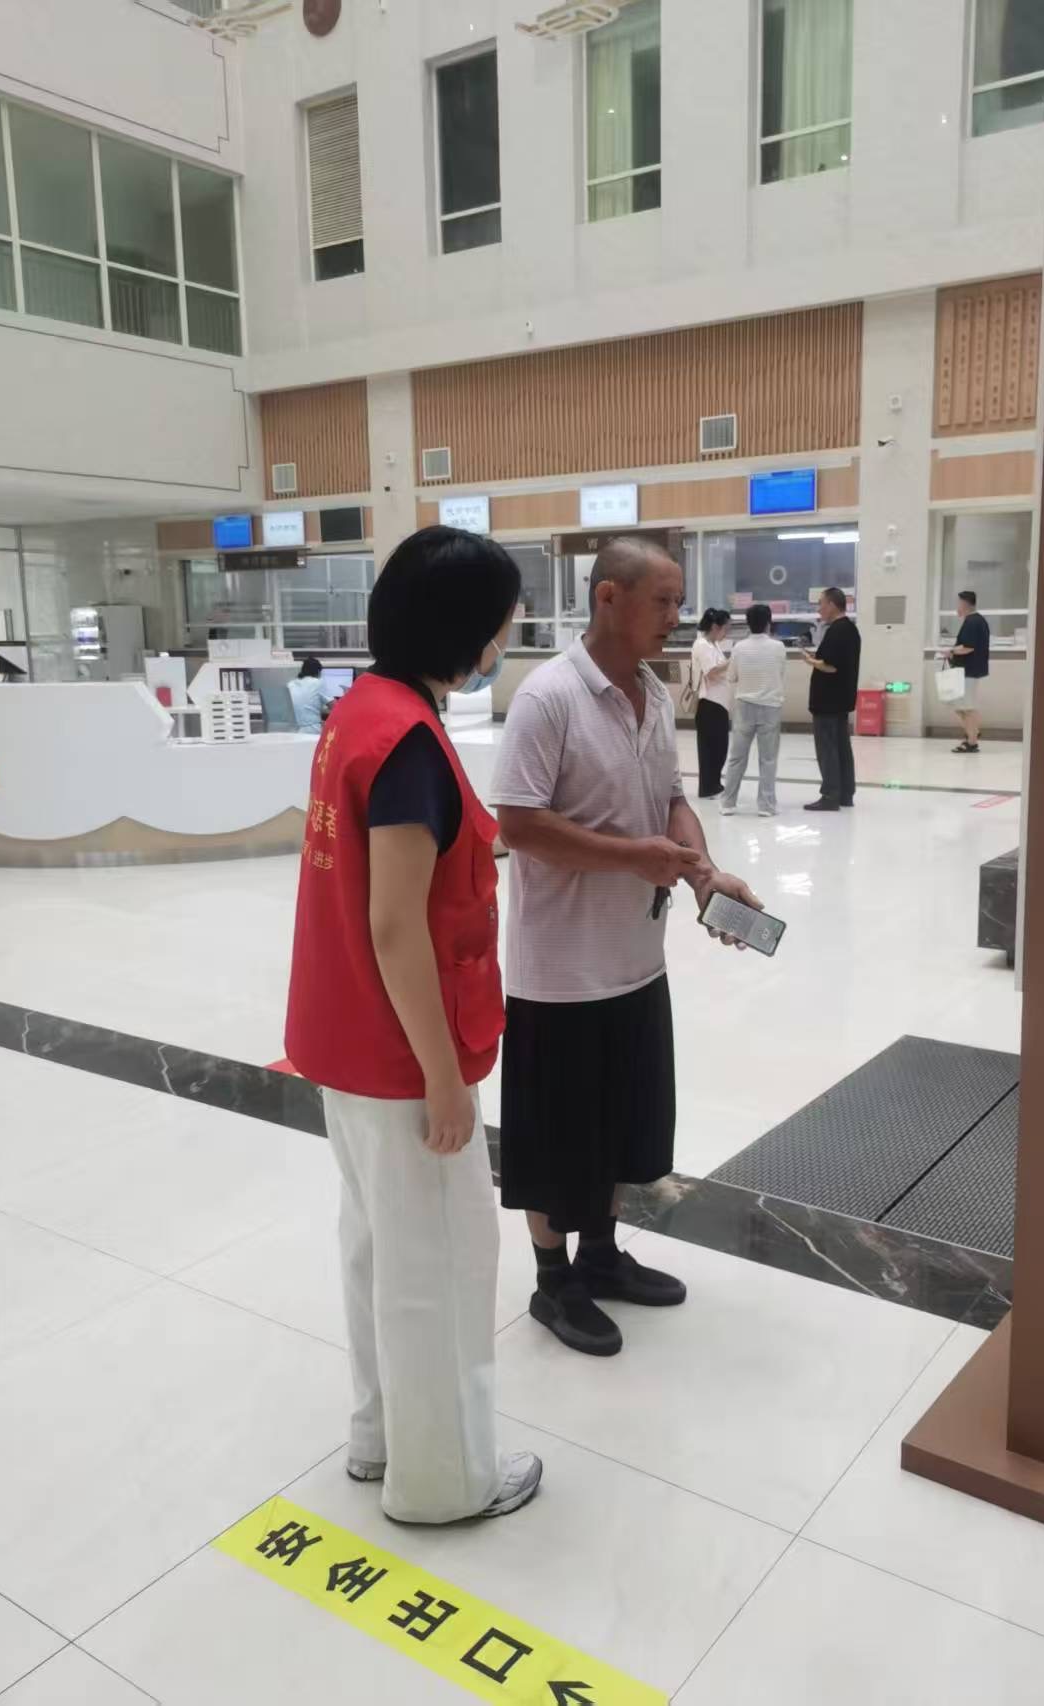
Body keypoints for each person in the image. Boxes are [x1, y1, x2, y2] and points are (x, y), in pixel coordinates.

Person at [284, 526, 542, 1523]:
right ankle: (443, 1483)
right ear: (466, 629)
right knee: (437, 1265)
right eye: (502, 622)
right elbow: (396, 923)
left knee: (377, 1248)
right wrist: (443, 1078)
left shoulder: (360, 711)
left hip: (344, 1035)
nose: (504, 639)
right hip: (401, 1054)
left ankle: (380, 1436)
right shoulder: (410, 744)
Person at [491, 537, 761, 1357]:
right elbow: (518, 825)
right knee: (556, 1139)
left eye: (678, 603)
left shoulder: (648, 690)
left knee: (618, 1124)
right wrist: (631, 857)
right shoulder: (547, 698)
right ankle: (553, 1281)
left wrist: (701, 873)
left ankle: (601, 1257)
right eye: (662, 602)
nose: (675, 618)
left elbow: (671, 799)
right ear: (608, 597)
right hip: (560, 972)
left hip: (635, 961)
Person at [720, 603, 786, 817]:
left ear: (748, 624)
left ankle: (728, 803)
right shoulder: (778, 647)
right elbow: (780, 673)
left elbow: (731, 677)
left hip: (744, 706)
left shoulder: (739, 647)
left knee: (737, 757)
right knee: (768, 759)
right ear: (768, 623)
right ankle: (766, 806)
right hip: (770, 706)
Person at [802, 587, 861, 812]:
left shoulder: (837, 631)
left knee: (827, 748)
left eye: (821, 604)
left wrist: (810, 661)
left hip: (827, 702)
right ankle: (845, 792)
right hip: (841, 700)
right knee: (842, 747)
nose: (819, 609)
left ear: (833, 605)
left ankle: (830, 794)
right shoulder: (851, 630)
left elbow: (831, 665)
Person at [690, 608, 731, 799]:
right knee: (710, 748)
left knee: (719, 747)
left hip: (719, 703)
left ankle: (714, 784)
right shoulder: (702, 645)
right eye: (726, 628)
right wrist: (733, 661)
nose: (727, 633)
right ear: (715, 627)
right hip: (709, 703)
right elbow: (712, 672)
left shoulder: (713, 645)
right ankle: (707, 787)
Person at [947, 589, 991, 753]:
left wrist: (951, 651)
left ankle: (972, 742)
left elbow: (968, 647)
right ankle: (974, 732)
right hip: (971, 670)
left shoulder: (972, 622)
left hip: (968, 671)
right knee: (963, 706)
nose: (957, 607)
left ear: (965, 604)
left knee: (966, 708)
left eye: (959, 603)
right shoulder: (977, 620)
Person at [287, 656, 335, 733]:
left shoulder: (291, 684)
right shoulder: (318, 683)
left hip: (293, 730)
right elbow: (334, 707)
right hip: (312, 730)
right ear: (318, 672)